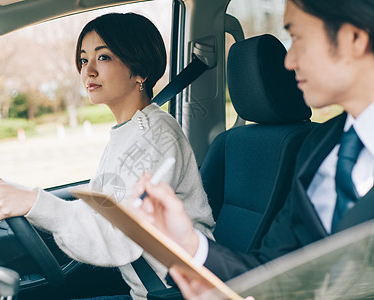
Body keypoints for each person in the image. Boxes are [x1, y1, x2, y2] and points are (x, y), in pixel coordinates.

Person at [135, 0, 374, 298]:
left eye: (298, 38)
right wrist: (189, 245)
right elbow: (276, 273)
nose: (289, 61)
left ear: (354, 38)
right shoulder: (319, 146)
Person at [0, 13, 215, 300]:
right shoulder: (130, 131)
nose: (88, 71)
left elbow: (119, 232)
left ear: (140, 71)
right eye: (84, 60)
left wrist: (32, 202)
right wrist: (17, 193)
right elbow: (105, 206)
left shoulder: (156, 137)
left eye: (104, 57)